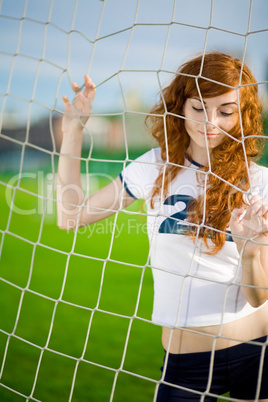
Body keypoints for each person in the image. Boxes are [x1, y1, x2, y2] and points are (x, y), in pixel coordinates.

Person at [57, 52, 268, 401]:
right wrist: (73, 130)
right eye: (199, 108)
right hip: (188, 362)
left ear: (242, 115)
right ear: (180, 106)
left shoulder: (259, 183)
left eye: (225, 112)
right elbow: (70, 215)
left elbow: (259, 297)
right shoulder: (154, 167)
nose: (210, 122)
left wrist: (248, 252)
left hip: (258, 351)